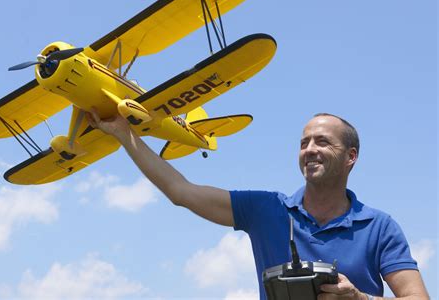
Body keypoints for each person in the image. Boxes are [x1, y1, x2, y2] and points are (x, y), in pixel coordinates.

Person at [87, 110, 429, 300]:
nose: (309, 148)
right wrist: (123, 133)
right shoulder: (266, 210)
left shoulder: (379, 226)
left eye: (322, 141)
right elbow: (181, 191)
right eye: (303, 142)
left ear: (351, 156)